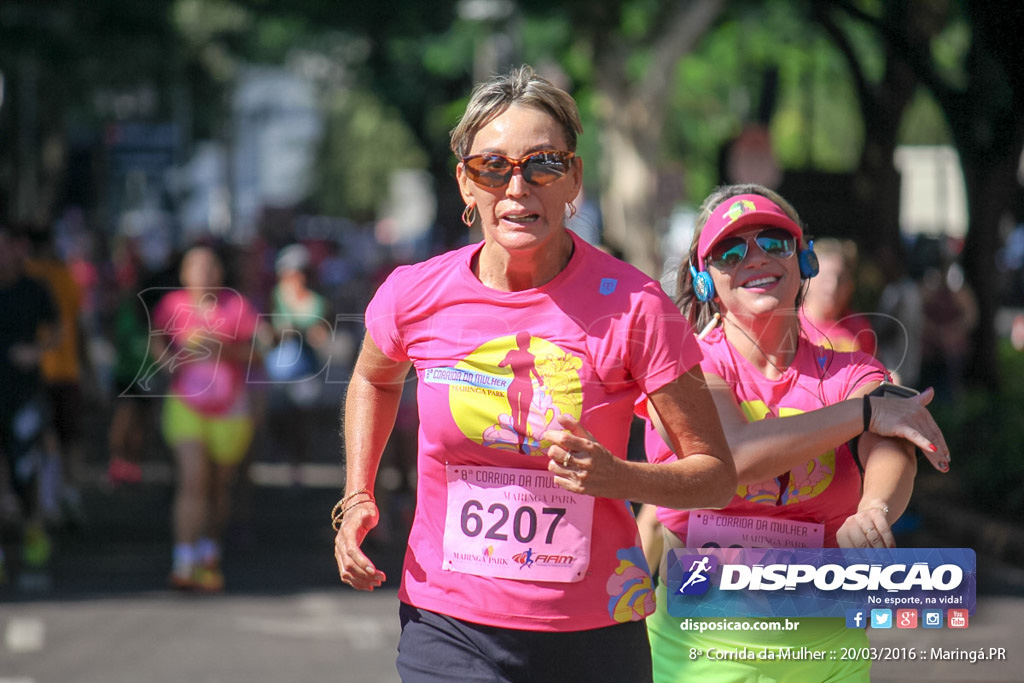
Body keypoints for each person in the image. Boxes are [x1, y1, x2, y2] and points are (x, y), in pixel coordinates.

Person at [333, 65, 736, 682]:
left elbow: (714, 477)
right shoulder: (415, 294)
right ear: (466, 185)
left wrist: (616, 475)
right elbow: (374, 377)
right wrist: (358, 492)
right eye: (492, 167)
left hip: (595, 632)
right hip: (448, 622)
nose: (516, 187)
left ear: (573, 178)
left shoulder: (636, 305)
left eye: (542, 163)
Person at [640, 185, 951, 682]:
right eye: (731, 251)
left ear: (804, 257)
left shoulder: (851, 371)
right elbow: (735, 455)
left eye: (774, 242)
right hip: (700, 652)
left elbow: (892, 446)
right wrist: (864, 412)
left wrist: (875, 508)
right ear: (704, 281)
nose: (756, 257)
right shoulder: (684, 365)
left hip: (825, 654)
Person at [146, 245, 260, 592]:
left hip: (229, 409)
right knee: (193, 479)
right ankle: (183, 561)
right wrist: (169, 362)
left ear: (220, 274)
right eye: (195, 267)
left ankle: (209, 552)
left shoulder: (236, 307)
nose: (203, 274)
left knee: (215, 487)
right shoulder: (172, 306)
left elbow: (257, 351)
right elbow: (156, 340)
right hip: (186, 405)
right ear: (183, 274)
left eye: (210, 267)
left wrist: (221, 348)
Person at [0, 224, 60, 584]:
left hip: (23, 394)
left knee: (27, 464)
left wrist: (35, 352)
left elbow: (58, 330)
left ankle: (33, 523)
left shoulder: (33, 289)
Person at [799, 237, 877, 356]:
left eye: (840, 279)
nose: (832, 287)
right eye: (825, 278)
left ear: (851, 285)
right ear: (807, 281)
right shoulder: (791, 325)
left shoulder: (860, 327)